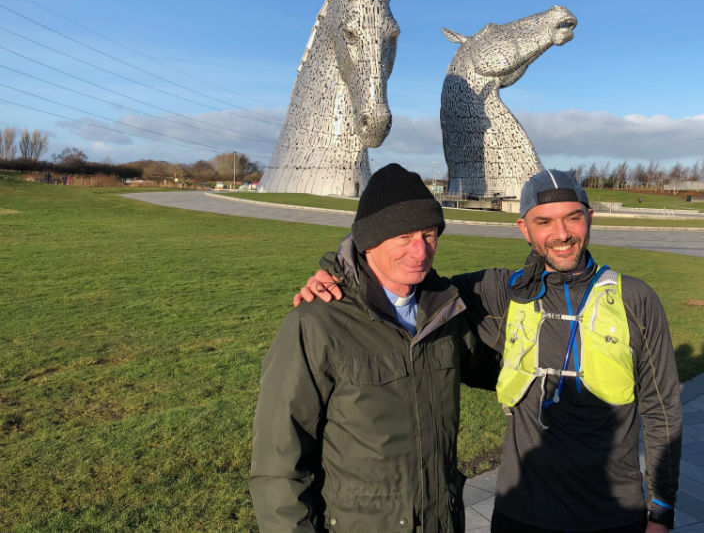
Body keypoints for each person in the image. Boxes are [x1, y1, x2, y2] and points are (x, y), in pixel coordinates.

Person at [300, 169, 682, 532]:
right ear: (524, 229)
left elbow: (662, 408)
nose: (562, 234)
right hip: (523, 511)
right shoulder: (498, 292)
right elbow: (408, 277)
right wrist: (338, 271)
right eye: (544, 222)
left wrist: (661, 511)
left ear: (590, 218)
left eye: (573, 218)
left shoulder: (635, 299)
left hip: (613, 512)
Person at [249, 163, 499, 533]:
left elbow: (502, 370)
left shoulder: (446, 314)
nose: (420, 250)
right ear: (369, 241)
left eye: (430, 234)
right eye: (403, 237)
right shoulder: (317, 324)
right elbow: (278, 462)